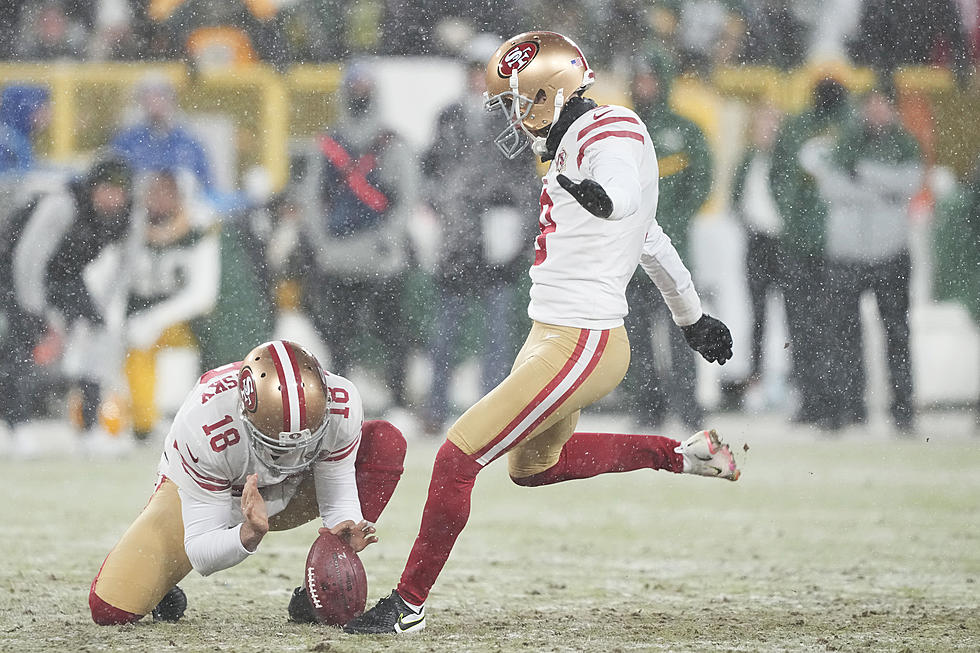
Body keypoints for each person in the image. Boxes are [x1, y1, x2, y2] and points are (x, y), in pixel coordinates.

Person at [345, 31, 737, 636]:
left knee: (457, 455)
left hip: (584, 339)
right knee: (532, 468)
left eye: (513, 100)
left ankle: (408, 605)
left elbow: (625, 198)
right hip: (552, 332)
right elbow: (650, 240)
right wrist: (692, 317)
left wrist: (604, 198)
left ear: (547, 95)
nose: (508, 113)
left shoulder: (610, 132)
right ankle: (681, 454)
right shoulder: (573, 139)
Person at [89, 339, 407, 625]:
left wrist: (340, 539)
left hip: (292, 492)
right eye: (280, 448)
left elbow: (337, 491)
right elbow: (201, 549)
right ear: (245, 418)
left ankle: (316, 592)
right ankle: (163, 581)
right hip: (223, 498)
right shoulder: (205, 424)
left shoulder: (342, 402)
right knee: (109, 609)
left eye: (305, 444)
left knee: (386, 443)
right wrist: (247, 534)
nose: (295, 458)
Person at [421, 38, 538, 435]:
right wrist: (436, 211)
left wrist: (518, 233)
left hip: (495, 244)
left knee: (496, 334)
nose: (476, 79)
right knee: (445, 334)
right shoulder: (448, 117)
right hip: (457, 242)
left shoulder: (514, 120)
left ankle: (493, 411)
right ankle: (435, 408)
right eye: (471, 70)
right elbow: (431, 174)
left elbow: (525, 183)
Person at [798, 86, 923, 433]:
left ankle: (903, 409)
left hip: (890, 252)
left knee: (896, 333)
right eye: (872, 104)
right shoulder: (845, 141)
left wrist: (864, 173)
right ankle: (848, 408)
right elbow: (830, 188)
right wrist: (884, 190)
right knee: (842, 335)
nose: (878, 112)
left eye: (884, 104)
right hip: (847, 254)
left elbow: (910, 182)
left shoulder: (904, 142)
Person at [302, 62, 420, 413]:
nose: (360, 93)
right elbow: (310, 199)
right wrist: (322, 243)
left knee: (392, 332)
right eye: (355, 85)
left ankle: (398, 401)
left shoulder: (391, 143)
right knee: (338, 335)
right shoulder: (328, 145)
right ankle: (340, 402)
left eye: (366, 85)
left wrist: (390, 239)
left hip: (381, 256)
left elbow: (407, 197)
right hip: (337, 254)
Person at [0, 156, 133, 452]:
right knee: (23, 342)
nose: (113, 198)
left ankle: (89, 427)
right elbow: (28, 258)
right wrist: (35, 313)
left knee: (97, 333)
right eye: (107, 189)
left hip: (65, 273)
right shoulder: (63, 204)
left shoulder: (127, 215)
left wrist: (102, 307)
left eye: (119, 192)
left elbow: (126, 268)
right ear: (92, 188)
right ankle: (15, 426)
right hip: (13, 270)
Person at [622, 46, 713, 429]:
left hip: (671, 250)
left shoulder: (686, 130)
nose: (644, 87)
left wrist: (666, 222)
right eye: (638, 79)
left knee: (683, 329)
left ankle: (688, 406)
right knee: (637, 338)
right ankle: (647, 407)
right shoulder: (620, 130)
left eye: (650, 79)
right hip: (629, 252)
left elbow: (701, 183)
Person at [770, 78, 849, 429]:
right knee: (803, 326)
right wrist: (792, 214)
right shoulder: (800, 126)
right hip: (801, 243)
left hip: (838, 245)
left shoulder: (848, 126)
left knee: (835, 326)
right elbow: (777, 176)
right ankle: (813, 400)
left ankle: (840, 401)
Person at [124, 169, 220, 441]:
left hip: (188, 316)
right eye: (154, 191)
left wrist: (155, 317)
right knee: (135, 342)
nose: (159, 199)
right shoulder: (129, 226)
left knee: (217, 344)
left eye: (168, 192)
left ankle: (211, 421)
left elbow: (203, 294)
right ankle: (143, 424)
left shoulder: (199, 228)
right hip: (141, 312)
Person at [730, 102, 785, 396]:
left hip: (784, 242)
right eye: (762, 125)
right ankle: (756, 377)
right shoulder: (749, 160)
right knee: (758, 313)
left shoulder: (784, 161)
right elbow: (736, 198)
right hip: (758, 242)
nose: (766, 132)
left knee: (794, 313)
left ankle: (793, 378)